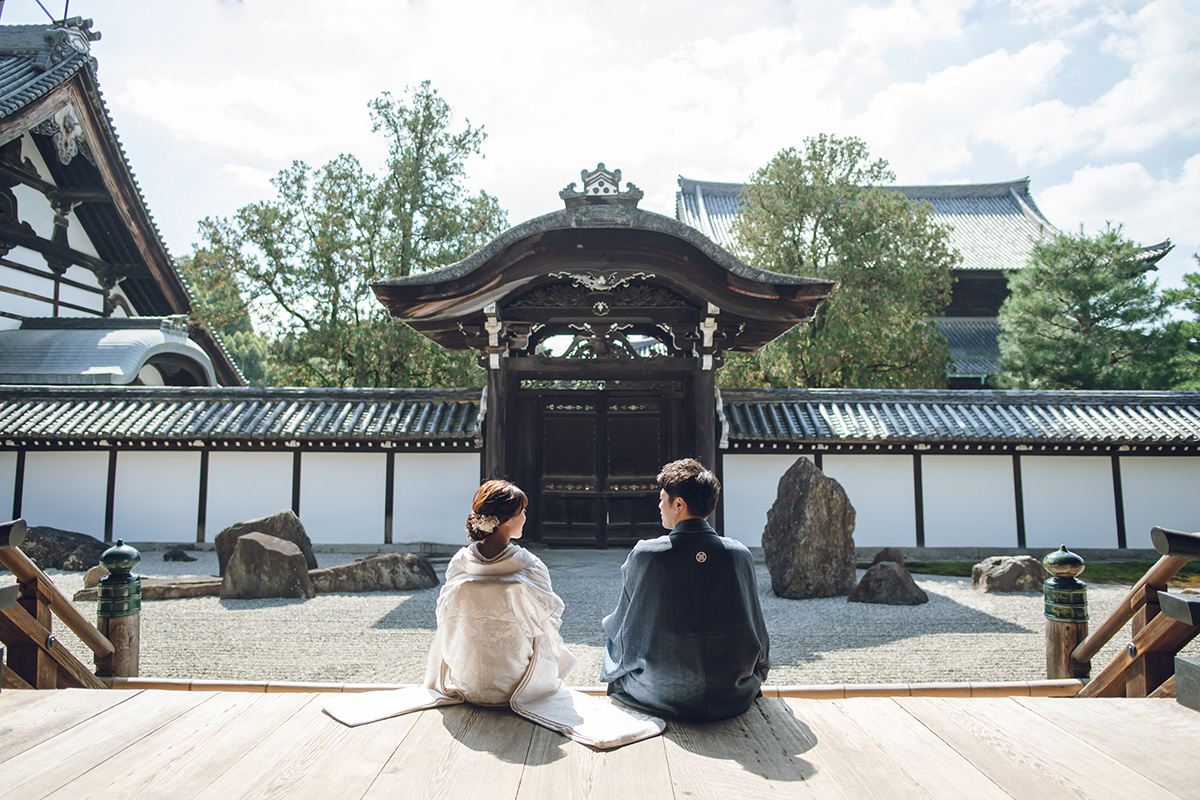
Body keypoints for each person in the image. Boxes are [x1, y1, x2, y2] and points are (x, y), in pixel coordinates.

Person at [324, 479, 664, 749]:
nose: (527, 518)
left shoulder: (460, 562)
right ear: (506, 521)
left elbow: (445, 618)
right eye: (522, 513)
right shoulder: (528, 564)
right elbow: (551, 618)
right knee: (545, 631)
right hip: (518, 685)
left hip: (468, 683)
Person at [601, 458, 770, 721]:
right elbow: (757, 630)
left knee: (614, 636)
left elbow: (624, 627)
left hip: (661, 691)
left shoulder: (647, 554)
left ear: (678, 504)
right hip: (733, 691)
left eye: (662, 498)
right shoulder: (740, 555)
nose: (659, 505)